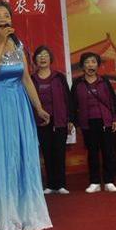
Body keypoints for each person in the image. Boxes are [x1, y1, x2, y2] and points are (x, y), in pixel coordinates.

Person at [0, 0, 53, 230]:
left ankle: (26, 213)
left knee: (21, 155)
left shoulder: (18, 46)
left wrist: (38, 107)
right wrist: (1, 43)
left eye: (6, 15)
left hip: (18, 105)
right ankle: (1, 215)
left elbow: (26, 78)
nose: (3, 19)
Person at [71, 53, 116, 193]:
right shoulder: (77, 83)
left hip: (105, 121)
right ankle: (95, 182)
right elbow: (72, 104)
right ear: (82, 66)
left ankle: (109, 181)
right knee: (92, 153)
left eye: (93, 62)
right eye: (87, 62)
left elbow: (113, 101)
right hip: (87, 123)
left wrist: (115, 118)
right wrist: (74, 122)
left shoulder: (104, 81)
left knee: (108, 152)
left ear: (98, 65)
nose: (90, 65)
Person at [31, 45, 73, 195]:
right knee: (46, 152)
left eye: (45, 55)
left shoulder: (59, 77)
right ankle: (50, 184)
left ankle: (61, 184)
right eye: (39, 55)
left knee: (59, 152)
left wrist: (70, 119)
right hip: (41, 121)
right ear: (35, 60)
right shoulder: (31, 79)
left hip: (59, 120)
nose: (42, 58)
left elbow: (68, 98)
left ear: (50, 59)